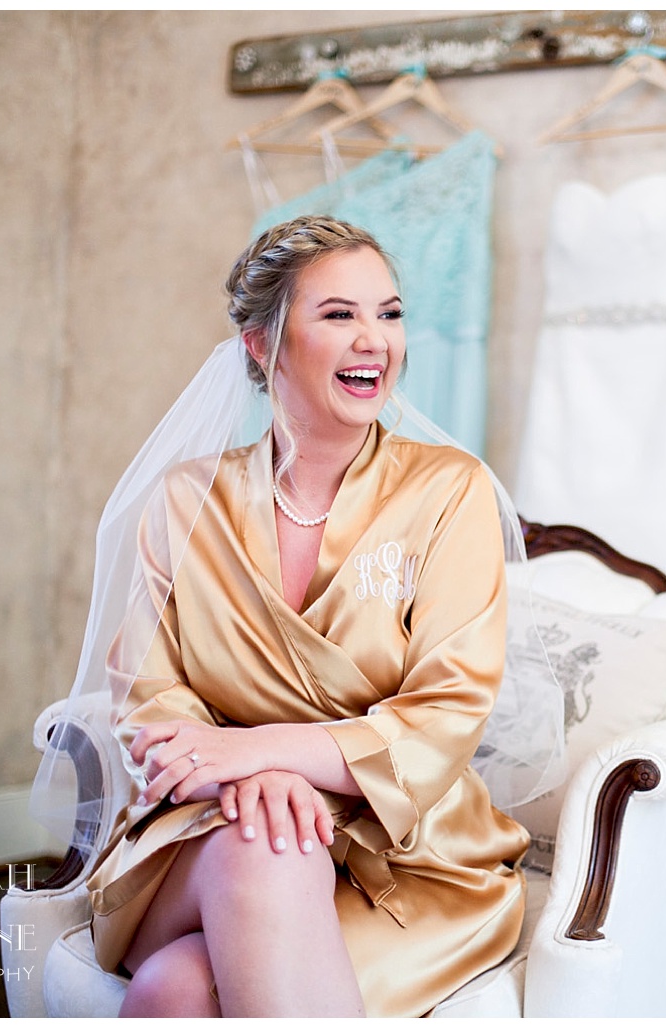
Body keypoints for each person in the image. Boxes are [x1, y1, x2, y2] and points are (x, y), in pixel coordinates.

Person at [79, 216, 531, 1017]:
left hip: (408, 856)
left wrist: (263, 752)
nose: (375, 341)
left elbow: (446, 711)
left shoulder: (449, 491)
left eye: (389, 314)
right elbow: (150, 697)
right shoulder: (186, 502)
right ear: (261, 344)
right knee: (267, 843)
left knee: (175, 987)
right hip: (216, 828)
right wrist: (258, 778)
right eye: (339, 315)